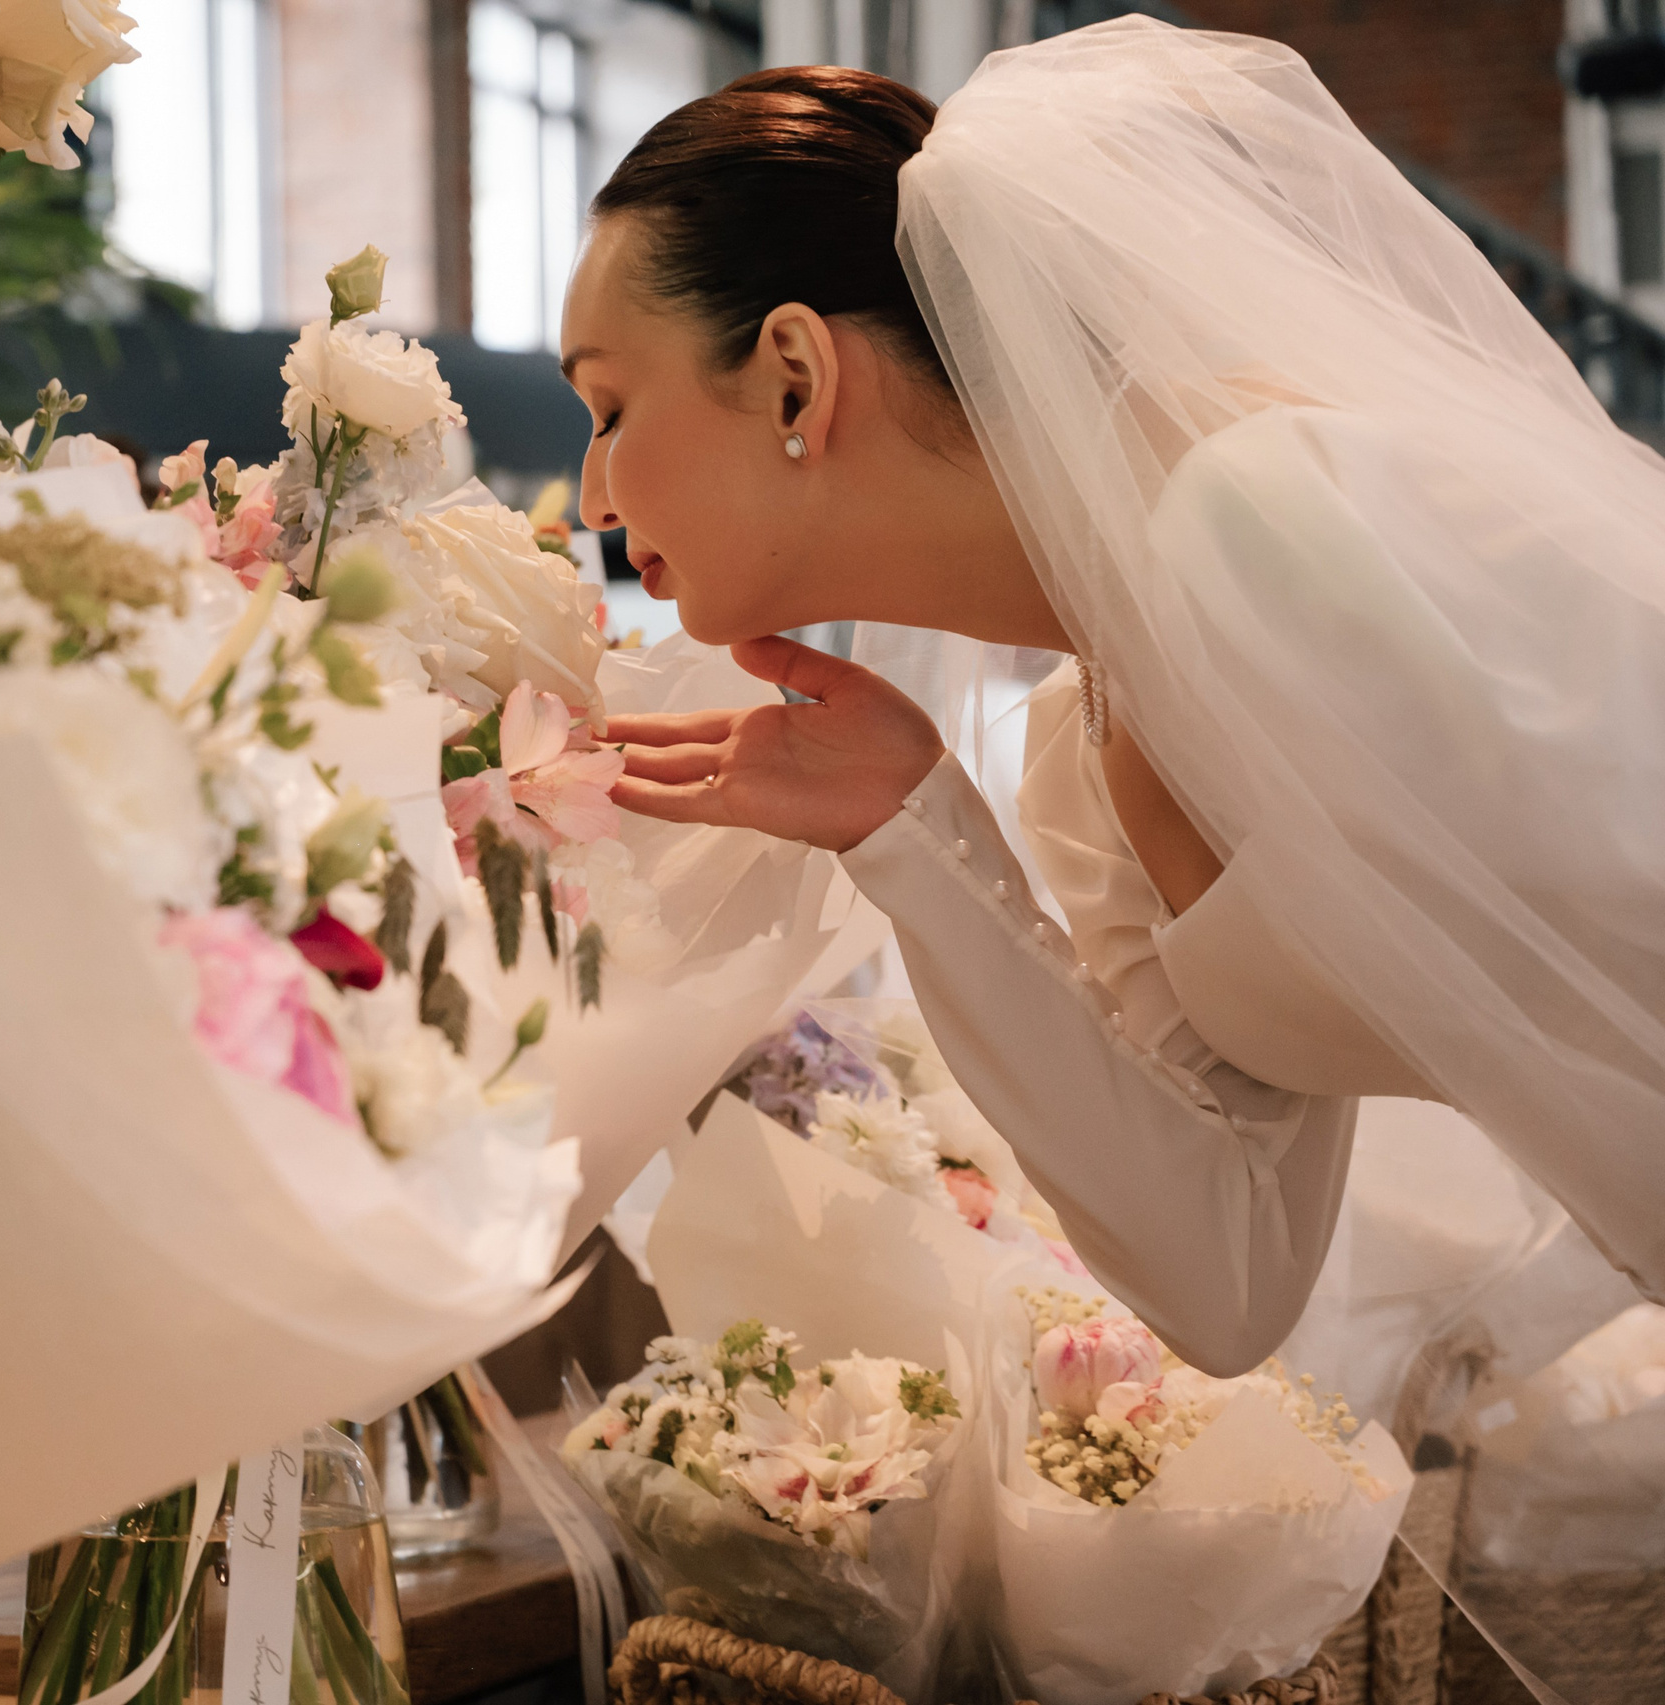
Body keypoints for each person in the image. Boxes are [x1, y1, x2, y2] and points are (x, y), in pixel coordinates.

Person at [562, 17, 1665, 1375]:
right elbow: (1229, 1281)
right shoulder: (1080, 753)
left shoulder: (1271, 522)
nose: (593, 496)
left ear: (797, 372)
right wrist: (913, 831)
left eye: (610, 407)